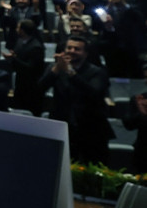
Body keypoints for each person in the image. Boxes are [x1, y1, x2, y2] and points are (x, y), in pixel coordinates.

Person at [39, 35, 114, 164]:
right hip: (63, 126)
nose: (71, 51)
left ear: (85, 54)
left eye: (77, 49)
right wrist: (56, 70)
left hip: (91, 130)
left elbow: (93, 93)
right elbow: (39, 89)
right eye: (69, 47)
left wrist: (71, 72)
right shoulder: (56, 68)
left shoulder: (97, 72)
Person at [2, 19, 45, 115]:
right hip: (20, 83)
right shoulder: (20, 41)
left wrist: (13, 59)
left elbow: (31, 68)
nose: (16, 29)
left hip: (31, 87)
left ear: (22, 30)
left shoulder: (36, 47)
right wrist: (13, 59)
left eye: (18, 27)